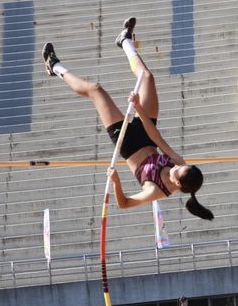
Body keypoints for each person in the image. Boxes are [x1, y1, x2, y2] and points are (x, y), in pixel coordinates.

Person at [42, 18, 213, 220]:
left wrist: (116, 181)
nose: (176, 165)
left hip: (127, 144)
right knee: (147, 77)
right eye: (180, 166)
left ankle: (54, 67)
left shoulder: (155, 191)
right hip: (147, 135)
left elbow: (124, 204)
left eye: (176, 170)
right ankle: (125, 40)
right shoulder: (180, 163)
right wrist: (138, 107)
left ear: (177, 184)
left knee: (95, 90)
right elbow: (157, 139)